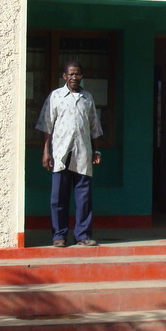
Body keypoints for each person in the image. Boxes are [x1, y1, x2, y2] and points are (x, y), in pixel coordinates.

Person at [36, 60, 103, 247]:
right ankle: (59, 235)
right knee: (58, 198)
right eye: (70, 74)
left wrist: (96, 149)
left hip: (83, 154)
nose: (74, 77)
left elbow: (94, 127)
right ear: (64, 76)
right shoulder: (55, 97)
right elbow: (46, 126)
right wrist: (46, 152)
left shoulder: (87, 98)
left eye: (77, 74)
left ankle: (83, 235)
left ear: (82, 76)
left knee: (84, 198)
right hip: (60, 153)